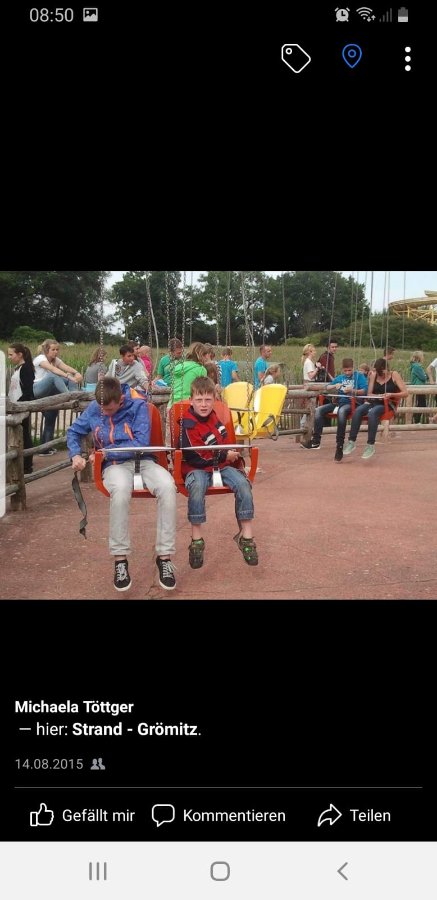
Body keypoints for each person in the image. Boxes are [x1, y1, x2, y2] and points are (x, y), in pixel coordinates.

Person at [67, 377, 177, 592]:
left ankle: (164, 557)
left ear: (121, 399)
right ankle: (120, 560)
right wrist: (75, 455)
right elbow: (73, 431)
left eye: (109, 409)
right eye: (102, 409)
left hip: (143, 460)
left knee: (167, 486)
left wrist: (105, 451)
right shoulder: (96, 407)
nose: (105, 413)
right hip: (114, 466)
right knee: (120, 490)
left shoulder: (138, 407)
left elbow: (140, 442)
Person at [180, 376, 258, 568]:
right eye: (199, 400)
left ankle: (246, 537)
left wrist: (231, 453)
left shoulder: (216, 419)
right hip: (197, 467)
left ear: (214, 400)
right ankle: (197, 540)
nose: (203, 405)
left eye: (208, 400)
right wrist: (224, 455)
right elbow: (194, 455)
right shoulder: (187, 424)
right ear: (191, 401)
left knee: (243, 484)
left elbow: (225, 442)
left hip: (221, 466)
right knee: (197, 486)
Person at [301, 358, 367, 461]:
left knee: (341, 412)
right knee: (319, 410)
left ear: (353, 368)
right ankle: (316, 441)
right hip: (338, 402)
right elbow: (327, 387)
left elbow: (364, 390)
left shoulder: (359, 376)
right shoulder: (340, 377)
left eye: (349, 370)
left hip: (352, 403)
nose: (347, 372)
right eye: (345, 370)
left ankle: (339, 445)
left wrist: (353, 391)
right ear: (342, 369)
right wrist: (334, 386)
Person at [343, 358, 408, 459]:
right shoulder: (374, 375)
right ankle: (351, 441)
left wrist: (391, 394)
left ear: (387, 369)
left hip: (387, 404)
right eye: (379, 373)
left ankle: (370, 445)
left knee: (373, 413)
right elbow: (369, 393)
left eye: (383, 373)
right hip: (374, 401)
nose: (381, 375)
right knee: (358, 411)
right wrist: (378, 396)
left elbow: (405, 393)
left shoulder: (394, 374)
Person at [33, 339, 84, 455]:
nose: (56, 352)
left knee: (51, 418)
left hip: (50, 393)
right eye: (53, 350)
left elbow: (66, 367)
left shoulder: (55, 360)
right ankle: (69, 396)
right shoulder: (40, 359)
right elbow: (53, 370)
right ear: (46, 350)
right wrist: (68, 376)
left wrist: (76, 373)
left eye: (57, 349)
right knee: (54, 376)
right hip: (37, 390)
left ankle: (46, 448)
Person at [7, 343, 35, 474]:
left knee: (24, 435)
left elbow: (28, 391)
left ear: (20, 355)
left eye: (11, 354)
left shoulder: (25, 369)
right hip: (17, 406)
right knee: (21, 434)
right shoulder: (19, 368)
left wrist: (19, 405)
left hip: (21, 406)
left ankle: (27, 465)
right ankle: (22, 463)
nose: (9, 357)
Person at [409, 350, 428, 423]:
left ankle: (417, 419)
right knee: (422, 404)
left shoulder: (414, 366)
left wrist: (425, 376)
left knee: (421, 403)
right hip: (419, 387)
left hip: (417, 386)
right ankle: (416, 420)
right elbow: (423, 377)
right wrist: (426, 376)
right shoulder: (417, 366)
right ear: (419, 357)